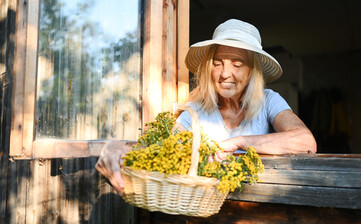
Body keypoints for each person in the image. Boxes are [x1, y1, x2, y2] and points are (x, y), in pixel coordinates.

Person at [95, 19, 317, 195]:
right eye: (218, 63)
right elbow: (164, 149)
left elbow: (305, 142)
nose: (224, 73)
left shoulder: (269, 100)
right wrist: (116, 147)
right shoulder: (195, 110)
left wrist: (239, 142)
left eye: (237, 64)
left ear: (251, 72)